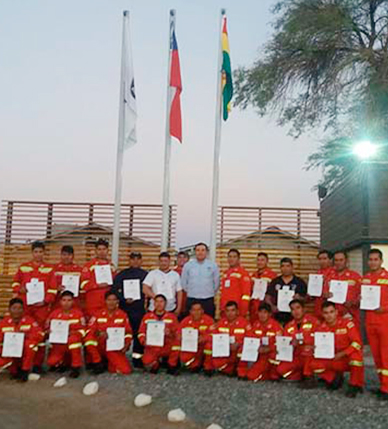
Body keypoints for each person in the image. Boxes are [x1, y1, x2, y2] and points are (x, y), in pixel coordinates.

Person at [12, 241, 56, 371]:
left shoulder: (49, 269)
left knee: (40, 334)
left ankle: (37, 364)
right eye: (35, 252)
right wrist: (20, 289)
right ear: (32, 253)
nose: (38, 254)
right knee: (23, 333)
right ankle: (20, 363)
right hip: (25, 307)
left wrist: (45, 301)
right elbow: (15, 283)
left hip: (41, 307)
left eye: (40, 252)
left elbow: (53, 289)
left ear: (44, 253)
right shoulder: (23, 267)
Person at [309, 301, 364, 398]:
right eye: (326, 313)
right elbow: (317, 346)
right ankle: (333, 377)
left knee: (356, 357)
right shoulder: (320, 328)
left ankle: (354, 385)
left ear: (336, 312)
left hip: (346, 358)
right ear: (322, 314)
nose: (329, 315)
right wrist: (315, 349)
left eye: (331, 312)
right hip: (332, 358)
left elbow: (357, 343)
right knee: (313, 364)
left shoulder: (347, 324)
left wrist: (344, 353)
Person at [111, 251, 147, 368]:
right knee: (122, 333)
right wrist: (123, 298)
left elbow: (150, 290)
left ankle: (137, 358)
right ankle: (118, 356)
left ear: (141, 261)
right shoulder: (122, 274)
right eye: (133, 259)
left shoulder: (146, 275)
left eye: (137, 259)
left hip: (139, 309)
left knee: (137, 334)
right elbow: (115, 290)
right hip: (125, 309)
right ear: (129, 261)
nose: (135, 261)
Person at [85, 292, 133, 375]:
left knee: (125, 370)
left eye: (114, 300)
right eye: (109, 300)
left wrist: (127, 344)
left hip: (114, 347)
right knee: (89, 339)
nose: (111, 302)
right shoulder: (97, 314)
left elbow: (128, 332)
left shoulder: (122, 315)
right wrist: (98, 333)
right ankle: (98, 362)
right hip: (100, 345)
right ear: (105, 301)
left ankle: (109, 363)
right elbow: (89, 330)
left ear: (117, 301)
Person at [362, 248, 388, 400]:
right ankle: (382, 385)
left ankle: (386, 388)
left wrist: (384, 308)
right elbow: (362, 298)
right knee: (377, 357)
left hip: (384, 322)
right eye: (370, 259)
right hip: (370, 322)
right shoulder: (365, 279)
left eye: (375, 259)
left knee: (386, 356)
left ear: (381, 261)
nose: (372, 262)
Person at [276, 299, 319, 386]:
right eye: (293, 309)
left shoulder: (314, 322)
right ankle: (300, 375)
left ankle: (308, 377)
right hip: (296, 356)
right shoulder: (288, 326)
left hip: (311, 356)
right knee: (281, 370)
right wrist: (290, 345)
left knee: (306, 350)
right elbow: (285, 345)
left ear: (303, 309)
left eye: (298, 308)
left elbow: (321, 340)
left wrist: (304, 343)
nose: (296, 311)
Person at [0, 298, 44, 381]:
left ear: (23, 310)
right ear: (9, 309)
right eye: (14, 308)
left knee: (30, 344)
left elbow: (40, 334)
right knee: (13, 372)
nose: (17, 311)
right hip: (9, 354)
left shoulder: (29, 321)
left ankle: (25, 370)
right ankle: (13, 369)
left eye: (20, 308)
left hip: (25, 353)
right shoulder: (3, 323)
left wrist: (26, 336)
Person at [237, 302, 282, 382]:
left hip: (268, 355)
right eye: (260, 312)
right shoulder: (255, 324)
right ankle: (242, 372)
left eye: (265, 312)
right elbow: (250, 338)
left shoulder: (276, 327)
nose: (262, 315)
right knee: (242, 350)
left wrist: (268, 349)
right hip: (257, 353)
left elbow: (280, 344)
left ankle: (270, 374)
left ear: (270, 314)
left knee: (252, 376)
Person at [46, 291, 86, 378]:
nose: (66, 303)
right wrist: (49, 332)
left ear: (73, 301)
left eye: (69, 300)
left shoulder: (78, 314)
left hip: (72, 341)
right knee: (51, 362)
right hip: (59, 344)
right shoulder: (54, 314)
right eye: (64, 300)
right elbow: (47, 329)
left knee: (74, 340)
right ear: (60, 301)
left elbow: (83, 330)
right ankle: (62, 363)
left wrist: (73, 333)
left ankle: (76, 367)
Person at [203, 301, 249, 376]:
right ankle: (208, 368)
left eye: (232, 310)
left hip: (236, 350)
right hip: (223, 350)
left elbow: (251, 338)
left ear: (237, 312)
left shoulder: (244, 323)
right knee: (208, 345)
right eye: (227, 311)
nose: (230, 313)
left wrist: (239, 343)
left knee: (243, 348)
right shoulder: (220, 323)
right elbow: (210, 334)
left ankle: (240, 371)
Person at [138, 294, 180, 374]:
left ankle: (171, 365)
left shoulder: (172, 317)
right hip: (152, 346)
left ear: (165, 303)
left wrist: (170, 333)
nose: (159, 304)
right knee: (148, 365)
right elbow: (141, 332)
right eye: (156, 301)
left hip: (167, 345)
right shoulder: (147, 317)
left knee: (177, 344)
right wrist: (144, 341)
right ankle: (156, 363)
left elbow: (178, 334)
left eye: (161, 301)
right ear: (153, 303)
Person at [322, 250, 361, 329]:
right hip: (333, 318)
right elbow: (324, 293)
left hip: (350, 316)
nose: (338, 262)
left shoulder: (355, 276)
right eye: (336, 260)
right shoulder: (329, 276)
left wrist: (354, 302)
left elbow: (362, 296)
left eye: (341, 260)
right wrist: (326, 295)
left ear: (346, 261)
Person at [181, 243, 220, 318]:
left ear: (206, 252)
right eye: (198, 250)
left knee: (208, 323)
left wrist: (209, 292)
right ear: (195, 252)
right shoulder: (188, 265)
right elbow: (184, 283)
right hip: (192, 299)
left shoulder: (213, 265)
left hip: (207, 299)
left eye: (203, 250)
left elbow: (216, 283)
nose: (200, 252)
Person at [80, 239, 116, 318]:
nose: (102, 252)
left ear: (107, 250)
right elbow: (83, 284)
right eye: (99, 249)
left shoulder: (112, 266)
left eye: (104, 249)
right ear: (95, 251)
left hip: (108, 303)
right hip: (93, 302)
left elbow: (115, 284)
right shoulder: (89, 266)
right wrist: (96, 285)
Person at [265, 258, 307, 325]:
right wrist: (272, 306)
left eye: (288, 266)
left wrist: (300, 298)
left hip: (295, 317)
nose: (285, 268)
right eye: (283, 266)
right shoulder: (275, 281)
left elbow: (307, 298)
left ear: (292, 267)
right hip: (278, 316)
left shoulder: (299, 282)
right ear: (280, 268)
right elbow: (267, 297)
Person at [175, 301, 214, 372]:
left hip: (203, 346)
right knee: (178, 346)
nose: (196, 312)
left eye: (198, 310)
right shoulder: (185, 321)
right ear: (190, 311)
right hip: (190, 345)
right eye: (194, 310)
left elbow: (213, 335)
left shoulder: (209, 320)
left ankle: (208, 367)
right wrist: (181, 337)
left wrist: (204, 338)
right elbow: (178, 333)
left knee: (209, 346)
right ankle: (174, 365)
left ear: (202, 311)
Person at [143, 252, 183, 317]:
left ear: (169, 261)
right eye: (161, 261)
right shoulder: (152, 274)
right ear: (158, 262)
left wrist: (178, 308)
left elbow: (179, 292)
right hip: (154, 309)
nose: (163, 263)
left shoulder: (175, 275)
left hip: (170, 308)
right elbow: (145, 288)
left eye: (165, 261)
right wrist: (157, 299)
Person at [219, 249, 252, 318]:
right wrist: (221, 308)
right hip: (225, 311)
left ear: (238, 259)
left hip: (236, 311)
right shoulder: (225, 273)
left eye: (234, 257)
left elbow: (246, 295)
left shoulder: (243, 273)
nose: (231, 259)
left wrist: (243, 311)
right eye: (230, 257)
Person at [250, 252, 277, 323]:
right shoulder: (253, 275)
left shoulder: (272, 275)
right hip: (254, 308)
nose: (260, 262)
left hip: (266, 308)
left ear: (267, 261)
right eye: (258, 260)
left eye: (262, 260)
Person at [313, 250, 334, 319]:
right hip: (318, 310)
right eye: (320, 259)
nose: (322, 261)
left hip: (331, 311)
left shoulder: (336, 274)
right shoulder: (316, 275)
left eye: (325, 259)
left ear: (330, 260)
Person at [174, 250, 190, 319]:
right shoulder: (172, 273)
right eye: (180, 257)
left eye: (184, 257)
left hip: (188, 303)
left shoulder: (191, 272)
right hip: (175, 303)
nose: (182, 259)